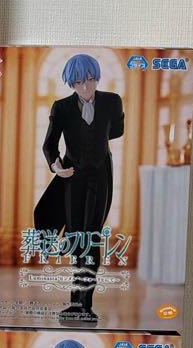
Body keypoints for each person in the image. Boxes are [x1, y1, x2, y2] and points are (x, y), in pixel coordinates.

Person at [33, 52, 125, 324]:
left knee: (91, 237)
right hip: (72, 177)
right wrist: (56, 166)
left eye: (90, 79)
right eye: (78, 82)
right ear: (71, 83)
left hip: (101, 177)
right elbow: (49, 145)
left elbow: (117, 130)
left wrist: (94, 143)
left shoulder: (112, 102)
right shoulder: (61, 108)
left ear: (97, 78)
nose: (85, 87)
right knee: (75, 238)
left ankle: (86, 305)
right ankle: (76, 303)